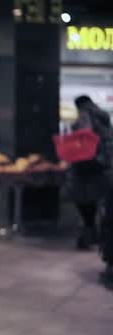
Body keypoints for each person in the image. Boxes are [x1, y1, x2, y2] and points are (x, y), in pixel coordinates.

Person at [68, 95, 113, 251]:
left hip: (86, 162)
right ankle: (97, 235)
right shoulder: (103, 115)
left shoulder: (85, 114)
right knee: (98, 199)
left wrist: (71, 139)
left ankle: (89, 234)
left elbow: (85, 134)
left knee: (83, 198)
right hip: (103, 164)